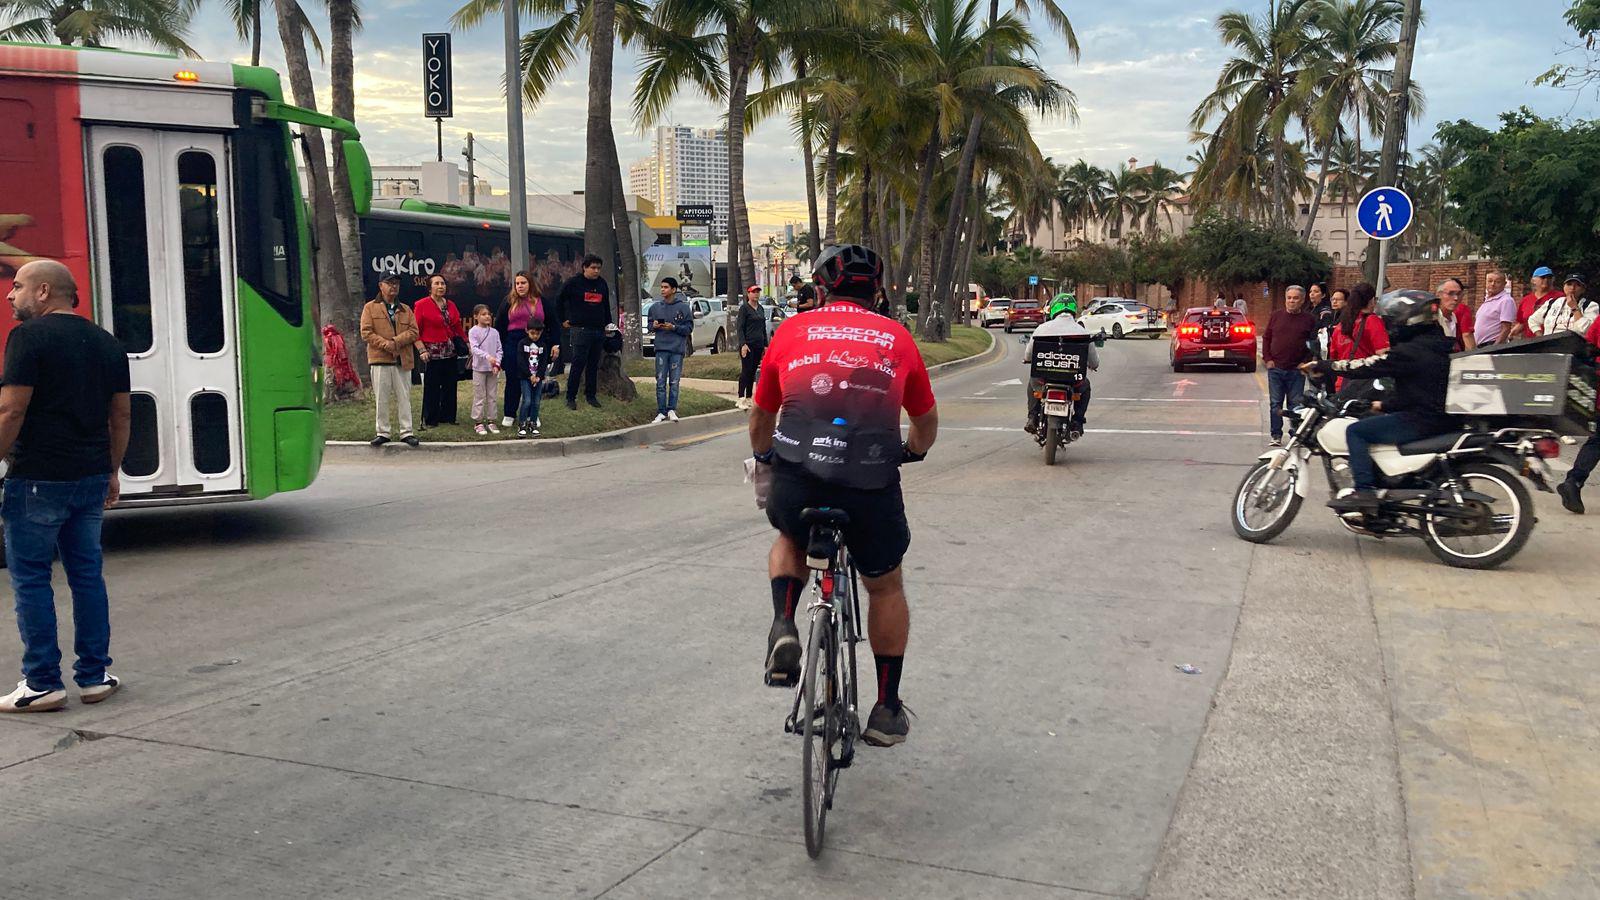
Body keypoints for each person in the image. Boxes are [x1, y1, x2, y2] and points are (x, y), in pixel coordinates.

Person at [748, 244, 937, 747]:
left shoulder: (791, 330)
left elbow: (761, 417)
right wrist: (912, 451)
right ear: (877, 292)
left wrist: (766, 458)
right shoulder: (896, 336)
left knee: (789, 533)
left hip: (799, 473)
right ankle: (887, 707)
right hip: (871, 480)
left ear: (821, 289)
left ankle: (785, 623)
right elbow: (925, 424)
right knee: (885, 585)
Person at [0, 260, 130, 713]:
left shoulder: (27, 338)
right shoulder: (108, 343)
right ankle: (94, 677)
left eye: (16, 287)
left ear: (42, 292)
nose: (9, 295)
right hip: (91, 476)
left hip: (38, 477)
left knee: (32, 579)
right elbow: (121, 416)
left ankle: (42, 682)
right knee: (87, 576)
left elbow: (11, 412)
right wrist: (112, 470)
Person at [1304, 290, 1454, 509]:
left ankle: (1364, 492)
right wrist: (1382, 405)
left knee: (1356, 431)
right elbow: (1419, 389)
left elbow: (1367, 365)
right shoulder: (1438, 345)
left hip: (1420, 420)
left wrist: (1325, 366)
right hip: (1434, 415)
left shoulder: (1410, 351)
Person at [359, 274, 423, 447]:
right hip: (380, 359)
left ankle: (406, 431)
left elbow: (414, 331)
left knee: (404, 397)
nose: (393, 286)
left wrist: (396, 341)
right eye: (389, 283)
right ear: (381, 285)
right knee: (382, 398)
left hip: (403, 359)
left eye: (396, 283)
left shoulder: (405, 309)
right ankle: (383, 432)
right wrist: (385, 344)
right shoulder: (370, 308)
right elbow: (366, 332)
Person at [1023, 297, 1098, 439]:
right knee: (1086, 387)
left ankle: (1032, 417)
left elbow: (1028, 354)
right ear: (1073, 310)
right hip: (1073, 382)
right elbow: (1094, 362)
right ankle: (1077, 421)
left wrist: (1027, 360)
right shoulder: (1082, 331)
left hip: (1043, 379)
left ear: (1054, 309)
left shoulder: (1041, 329)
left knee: (1032, 383)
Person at [1262, 285, 1317, 446]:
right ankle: (1276, 435)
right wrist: (1268, 359)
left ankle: (1295, 435)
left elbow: (1312, 343)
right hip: (1276, 368)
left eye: (1295, 298)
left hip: (1296, 370)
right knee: (1275, 403)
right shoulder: (1276, 316)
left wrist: (1305, 362)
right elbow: (1266, 338)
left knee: (1295, 405)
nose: (1292, 301)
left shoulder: (1309, 319)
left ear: (1302, 300)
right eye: (1289, 298)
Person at [496, 271, 550, 427]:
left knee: (534, 379)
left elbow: (552, 322)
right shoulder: (509, 301)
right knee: (513, 378)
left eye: (523, 283)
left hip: (537, 342)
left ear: (530, 284)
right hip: (513, 342)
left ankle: (531, 415)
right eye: (517, 283)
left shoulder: (541, 301)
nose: (520, 286)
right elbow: (499, 325)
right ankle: (509, 413)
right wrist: (500, 348)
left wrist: (554, 344)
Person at [559, 254, 611, 410]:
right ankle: (571, 397)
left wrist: (608, 325)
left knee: (593, 365)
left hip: (598, 330)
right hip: (580, 329)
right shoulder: (574, 283)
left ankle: (591, 395)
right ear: (585, 268)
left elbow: (606, 306)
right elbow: (559, 300)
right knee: (578, 364)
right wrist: (563, 319)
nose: (596, 271)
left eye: (598, 268)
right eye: (593, 268)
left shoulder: (602, 284)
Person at [414, 274, 466, 428]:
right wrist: (421, 350)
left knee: (450, 384)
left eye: (442, 283)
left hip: (449, 350)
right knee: (432, 386)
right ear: (430, 287)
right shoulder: (421, 305)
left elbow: (456, 326)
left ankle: (448, 416)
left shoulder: (450, 305)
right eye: (437, 283)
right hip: (431, 352)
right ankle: (430, 419)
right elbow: (415, 330)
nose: (441, 286)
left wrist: (466, 342)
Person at [1328, 282, 1389, 391]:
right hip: (1365, 385)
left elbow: (1333, 356)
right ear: (1371, 301)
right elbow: (1384, 355)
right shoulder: (1372, 321)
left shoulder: (1341, 325)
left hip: (1343, 383)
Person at [649, 277, 693, 423]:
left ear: (673, 290)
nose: (663, 290)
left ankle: (671, 409)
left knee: (674, 381)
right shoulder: (655, 307)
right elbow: (649, 327)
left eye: (666, 287)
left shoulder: (684, 308)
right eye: (661, 287)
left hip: (676, 349)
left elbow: (688, 328)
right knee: (660, 380)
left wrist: (674, 327)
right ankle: (661, 411)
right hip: (661, 348)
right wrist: (654, 325)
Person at [467, 304, 504, 435]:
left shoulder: (494, 332)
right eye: (483, 314)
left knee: (492, 395)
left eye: (488, 314)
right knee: (479, 395)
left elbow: (499, 349)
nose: (487, 316)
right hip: (479, 368)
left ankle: (491, 420)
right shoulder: (473, 331)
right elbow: (475, 348)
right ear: (476, 316)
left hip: (492, 370)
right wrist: (487, 356)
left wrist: (497, 364)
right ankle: (478, 422)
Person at [515, 318, 552, 438]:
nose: (535, 336)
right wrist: (529, 375)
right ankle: (522, 424)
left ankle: (533, 423)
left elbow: (543, 362)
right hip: (526, 377)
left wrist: (539, 376)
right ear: (527, 330)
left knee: (536, 402)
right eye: (532, 333)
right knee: (527, 401)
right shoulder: (522, 343)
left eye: (538, 333)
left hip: (538, 378)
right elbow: (521, 362)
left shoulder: (543, 345)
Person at [734, 282, 769, 410]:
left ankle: (749, 397)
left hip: (758, 344)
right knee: (746, 371)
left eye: (757, 292)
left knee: (753, 371)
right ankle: (740, 397)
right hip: (747, 345)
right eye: (753, 292)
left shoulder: (760, 308)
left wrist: (765, 345)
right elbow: (740, 328)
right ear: (748, 294)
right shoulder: (744, 309)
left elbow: (763, 328)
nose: (756, 294)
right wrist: (743, 344)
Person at [1527, 274, 1595, 337]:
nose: (1572, 288)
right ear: (1564, 287)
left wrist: (1575, 308)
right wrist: (1541, 337)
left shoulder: (1590, 306)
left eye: (1577, 285)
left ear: (1583, 289)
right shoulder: (1552, 302)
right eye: (1569, 284)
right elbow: (1533, 320)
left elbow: (1586, 330)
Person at [1509, 267, 1563, 340]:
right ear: (1533, 280)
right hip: (1530, 342)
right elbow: (1522, 322)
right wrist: (1512, 333)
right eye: (1542, 277)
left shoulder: (1560, 297)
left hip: (1552, 341)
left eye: (1549, 277)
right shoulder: (1526, 300)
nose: (1546, 280)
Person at [1474, 271, 1517, 347]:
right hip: (1480, 346)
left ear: (1504, 284)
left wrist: (1494, 348)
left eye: (1497, 282)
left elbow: (1506, 329)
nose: (1493, 284)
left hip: (1492, 345)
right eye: (1490, 281)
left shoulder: (1506, 301)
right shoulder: (1487, 301)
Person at [1436, 278, 1477, 352]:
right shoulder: (1430, 319)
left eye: (1459, 294)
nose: (1456, 298)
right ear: (1439, 295)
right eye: (1450, 293)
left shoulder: (1454, 319)